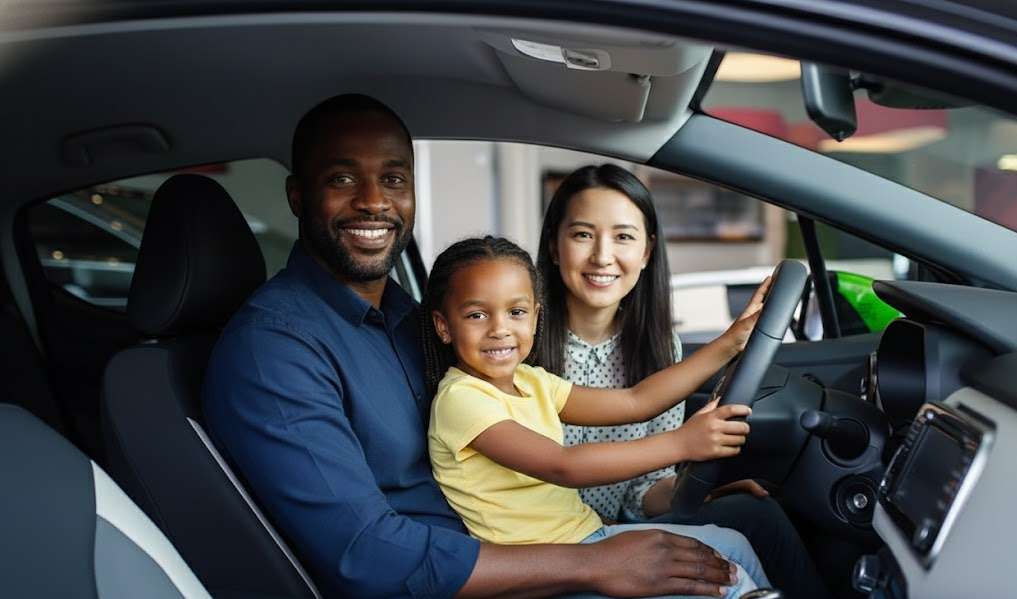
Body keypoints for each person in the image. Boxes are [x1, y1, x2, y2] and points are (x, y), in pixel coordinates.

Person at [202, 93, 760, 599]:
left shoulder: (406, 318)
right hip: (486, 581)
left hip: (534, 557)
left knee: (741, 543)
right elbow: (368, 557)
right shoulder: (274, 349)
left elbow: (633, 402)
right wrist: (592, 563)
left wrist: (734, 341)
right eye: (343, 179)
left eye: (394, 179)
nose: (374, 201)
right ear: (298, 196)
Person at [531, 164, 833, 599]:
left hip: (620, 528)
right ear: (555, 247)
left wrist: (695, 482)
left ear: (648, 251)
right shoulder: (519, 341)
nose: (601, 256)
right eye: (582, 235)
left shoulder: (659, 347)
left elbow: (639, 493)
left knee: (756, 511)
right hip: (554, 547)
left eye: (623, 237)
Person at [423, 235, 771, 599]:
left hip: (588, 540)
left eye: (516, 312)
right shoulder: (461, 399)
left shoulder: (531, 381)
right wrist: (681, 443)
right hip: (545, 573)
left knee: (734, 547)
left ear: (535, 316)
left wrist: (731, 342)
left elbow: (636, 401)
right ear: (444, 326)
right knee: (729, 585)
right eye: (477, 315)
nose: (500, 328)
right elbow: (563, 466)